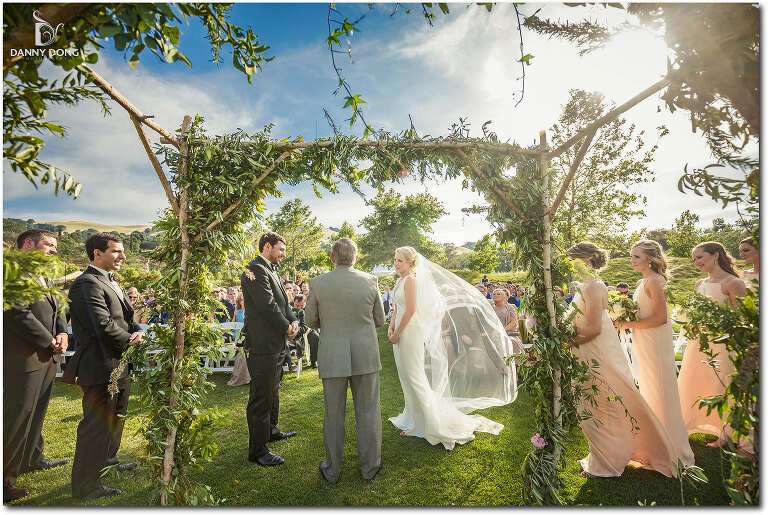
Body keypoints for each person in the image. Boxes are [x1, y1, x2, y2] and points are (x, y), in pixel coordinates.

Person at [387, 246, 516, 450]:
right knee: (404, 374)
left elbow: (411, 310)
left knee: (414, 376)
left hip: (410, 332)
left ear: (410, 263)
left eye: (400, 260)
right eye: (395, 259)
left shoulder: (411, 280)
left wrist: (397, 332)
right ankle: (412, 417)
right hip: (399, 331)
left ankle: (428, 422)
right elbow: (397, 307)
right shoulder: (399, 281)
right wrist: (391, 326)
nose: (395, 263)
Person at [566, 241, 677, 478]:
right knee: (591, 404)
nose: (566, 264)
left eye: (570, 259)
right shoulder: (584, 285)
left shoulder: (594, 286)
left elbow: (594, 328)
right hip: (584, 349)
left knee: (602, 402)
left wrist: (566, 342)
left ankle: (607, 463)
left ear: (584, 260)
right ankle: (604, 454)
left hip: (595, 350)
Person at [62, 232, 143, 500]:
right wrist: (130, 340)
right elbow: (102, 325)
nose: (122, 256)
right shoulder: (85, 283)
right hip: (99, 367)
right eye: (116, 251)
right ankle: (86, 485)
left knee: (115, 420)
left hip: (120, 365)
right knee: (96, 427)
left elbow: (126, 319)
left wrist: (138, 331)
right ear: (97, 253)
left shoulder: (112, 281)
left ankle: (108, 464)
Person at [305, 238, 386, 483]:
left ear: (332, 258)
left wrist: (329, 324)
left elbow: (310, 320)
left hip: (332, 354)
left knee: (333, 413)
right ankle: (370, 467)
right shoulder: (371, 281)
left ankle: (332, 470)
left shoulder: (318, 283)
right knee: (368, 412)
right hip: (365, 354)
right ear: (356, 258)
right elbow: (380, 320)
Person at [3, 230, 70, 503]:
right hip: (24, 358)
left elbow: (58, 308)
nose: (54, 250)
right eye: (49, 245)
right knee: (16, 418)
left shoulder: (44, 273)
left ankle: (31, 458)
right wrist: (48, 341)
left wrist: (63, 333)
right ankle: (4, 482)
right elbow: (16, 312)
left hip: (47, 357)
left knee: (37, 412)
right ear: (29, 244)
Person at [616, 240, 694, 467]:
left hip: (655, 343)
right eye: (631, 256)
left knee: (662, 391)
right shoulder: (643, 281)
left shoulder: (657, 281)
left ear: (650, 258)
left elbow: (661, 318)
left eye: (637, 257)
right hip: (644, 340)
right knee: (650, 390)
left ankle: (673, 449)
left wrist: (628, 323)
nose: (632, 261)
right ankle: (655, 443)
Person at [678, 242, 748, 449]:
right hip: (698, 342)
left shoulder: (733, 283)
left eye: (700, 257)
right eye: (694, 259)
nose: (697, 262)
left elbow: (742, 319)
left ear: (715, 255)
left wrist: (714, 324)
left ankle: (727, 434)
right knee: (695, 382)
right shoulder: (699, 284)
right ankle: (689, 424)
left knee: (721, 386)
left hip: (723, 344)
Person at [240, 232, 299, 467]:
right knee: (261, 396)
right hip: (262, 344)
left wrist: (293, 321)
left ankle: (270, 431)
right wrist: (286, 328)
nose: (283, 254)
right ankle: (258, 450)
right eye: (281, 250)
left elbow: (284, 303)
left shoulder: (272, 269)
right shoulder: (253, 270)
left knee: (273, 390)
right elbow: (267, 306)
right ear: (267, 246)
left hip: (276, 343)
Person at [491, 288, 525, 354]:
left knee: (510, 341)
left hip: (509, 333)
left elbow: (514, 323)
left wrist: (501, 331)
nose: (496, 295)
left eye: (498, 294)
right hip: (494, 333)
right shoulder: (491, 308)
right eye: (494, 294)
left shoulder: (509, 307)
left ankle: (516, 363)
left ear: (503, 297)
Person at [227, 294, 251, 387]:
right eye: (241, 300)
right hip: (237, 334)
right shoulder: (236, 311)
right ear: (239, 301)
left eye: (245, 300)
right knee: (242, 349)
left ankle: (247, 375)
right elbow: (233, 323)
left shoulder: (250, 311)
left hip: (247, 334)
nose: (243, 302)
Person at [292, 295, 320, 369]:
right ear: (293, 302)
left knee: (315, 337)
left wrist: (309, 329)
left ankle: (314, 360)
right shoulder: (290, 309)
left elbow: (315, 322)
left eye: (301, 305)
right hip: (297, 330)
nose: (299, 308)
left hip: (309, 330)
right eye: (297, 305)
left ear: (305, 303)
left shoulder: (310, 310)